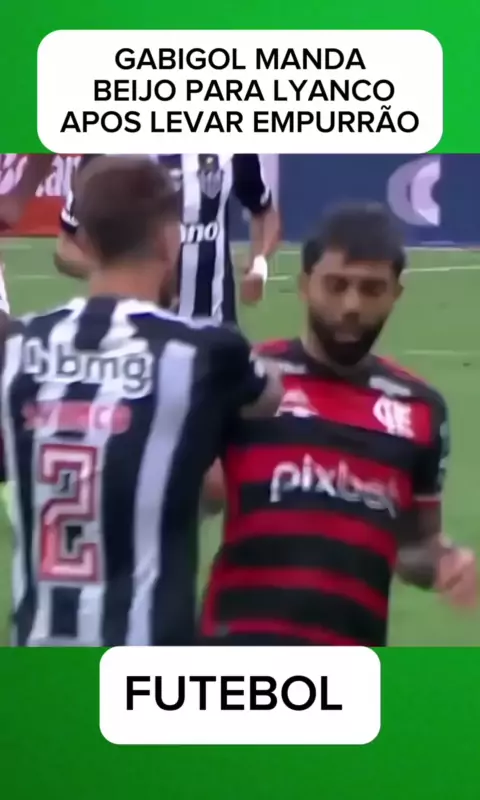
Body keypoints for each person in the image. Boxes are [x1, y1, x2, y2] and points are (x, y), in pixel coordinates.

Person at [0, 156, 282, 647]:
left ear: (87, 242)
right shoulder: (205, 353)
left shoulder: (19, 346)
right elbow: (269, 399)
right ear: (170, 240)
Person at [200, 202, 477, 646]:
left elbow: (415, 544)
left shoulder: (421, 410)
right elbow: (187, 496)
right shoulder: (248, 378)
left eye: (371, 289)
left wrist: (445, 561)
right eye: (336, 285)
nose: (352, 305)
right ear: (305, 285)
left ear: (395, 294)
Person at [56, 154, 280, 321]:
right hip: (131, 330)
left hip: (213, 323)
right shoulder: (108, 152)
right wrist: (120, 272)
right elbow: (66, 245)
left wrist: (259, 265)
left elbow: (266, 214)